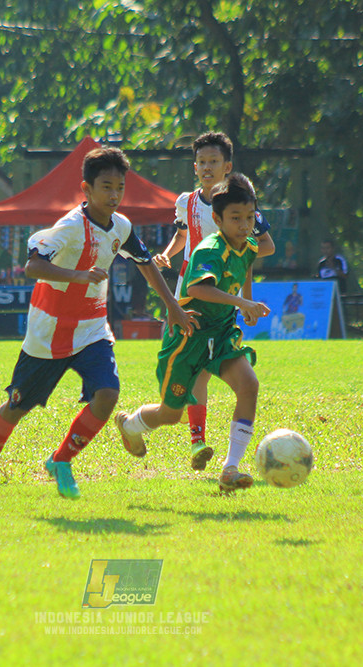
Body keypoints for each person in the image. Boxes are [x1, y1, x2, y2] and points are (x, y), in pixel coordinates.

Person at [0, 147, 197, 515]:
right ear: (86, 189)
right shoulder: (71, 227)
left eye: (119, 187)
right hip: (49, 333)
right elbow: (32, 267)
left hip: (92, 328)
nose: (114, 195)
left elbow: (145, 264)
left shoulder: (120, 226)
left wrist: (172, 306)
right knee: (17, 407)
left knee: (107, 394)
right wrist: (77, 276)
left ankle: (61, 460)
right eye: (106, 187)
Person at [115, 173, 270, 492]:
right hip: (190, 332)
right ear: (217, 218)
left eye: (249, 217)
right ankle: (130, 425)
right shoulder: (210, 249)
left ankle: (230, 469)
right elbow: (198, 288)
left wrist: (247, 301)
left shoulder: (248, 244)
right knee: (171, 414)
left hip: (222, 332)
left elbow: (248, 263)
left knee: (249, 385)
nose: (244, 225)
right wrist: (241, 300)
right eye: (235, 218)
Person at [151, 132, 274, 471]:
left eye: (214, 162)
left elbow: (262, 245)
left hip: (222, 293)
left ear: (227, 167)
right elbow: (181, 234)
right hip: (192, 290)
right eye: (202, 162)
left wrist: (241, 292)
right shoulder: (187, 202)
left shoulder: (242, 205)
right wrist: (166, 254)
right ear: (195, 167)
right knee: (194, 368)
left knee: (206, 370)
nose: (207, 168)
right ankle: (197, 440)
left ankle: (202, 445)